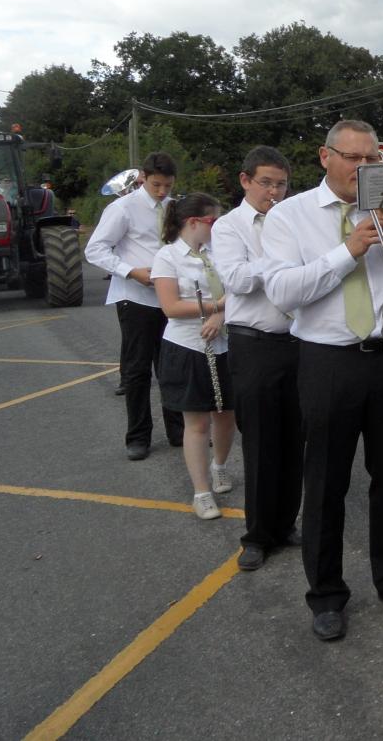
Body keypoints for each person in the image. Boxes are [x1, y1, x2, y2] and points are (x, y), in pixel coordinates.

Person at [262, 119, 383, 642]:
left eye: (373, 161)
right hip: (328, 359)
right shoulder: (290, 216)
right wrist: (351, 250)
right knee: (325, 482)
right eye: (354, 159)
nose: (363, 170)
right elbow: (283, 293)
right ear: (325, 156)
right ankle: (326, 594)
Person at [212, 146, 303, 569]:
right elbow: (237, 280)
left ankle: (286, 523)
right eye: (266, 182)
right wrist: (282, 261)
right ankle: (257, 534)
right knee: (262, 442)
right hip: (255, 344)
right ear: (245, 180)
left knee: (295, 439)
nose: (274, 191)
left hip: (300, 343)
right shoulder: (230, 227)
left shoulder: (296, 219)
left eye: (281, 184)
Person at [85, 152, 185, 460]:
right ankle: (138, 436)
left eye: (167, 185)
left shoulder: (173, 207)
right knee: (138, 371)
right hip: (136, 297)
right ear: (144, 177)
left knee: (170, 366)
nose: (161, 192)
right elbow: (95, 249)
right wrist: (131, 271)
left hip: (169, 299)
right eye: (156, 185)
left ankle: (178, 430)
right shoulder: (123, 207)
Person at [151, 192, 236, 520]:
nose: (218, 226)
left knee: (227, 415)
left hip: (225, 344)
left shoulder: (219, 253)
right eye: (213, 221)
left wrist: (221, 315)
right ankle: (201, 493)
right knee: (197, 422)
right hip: (188, 347)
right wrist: (217, 306)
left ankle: (220, 466)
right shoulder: (168, 256)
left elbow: (239, 288)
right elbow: (170, 306)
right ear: (194, 222)